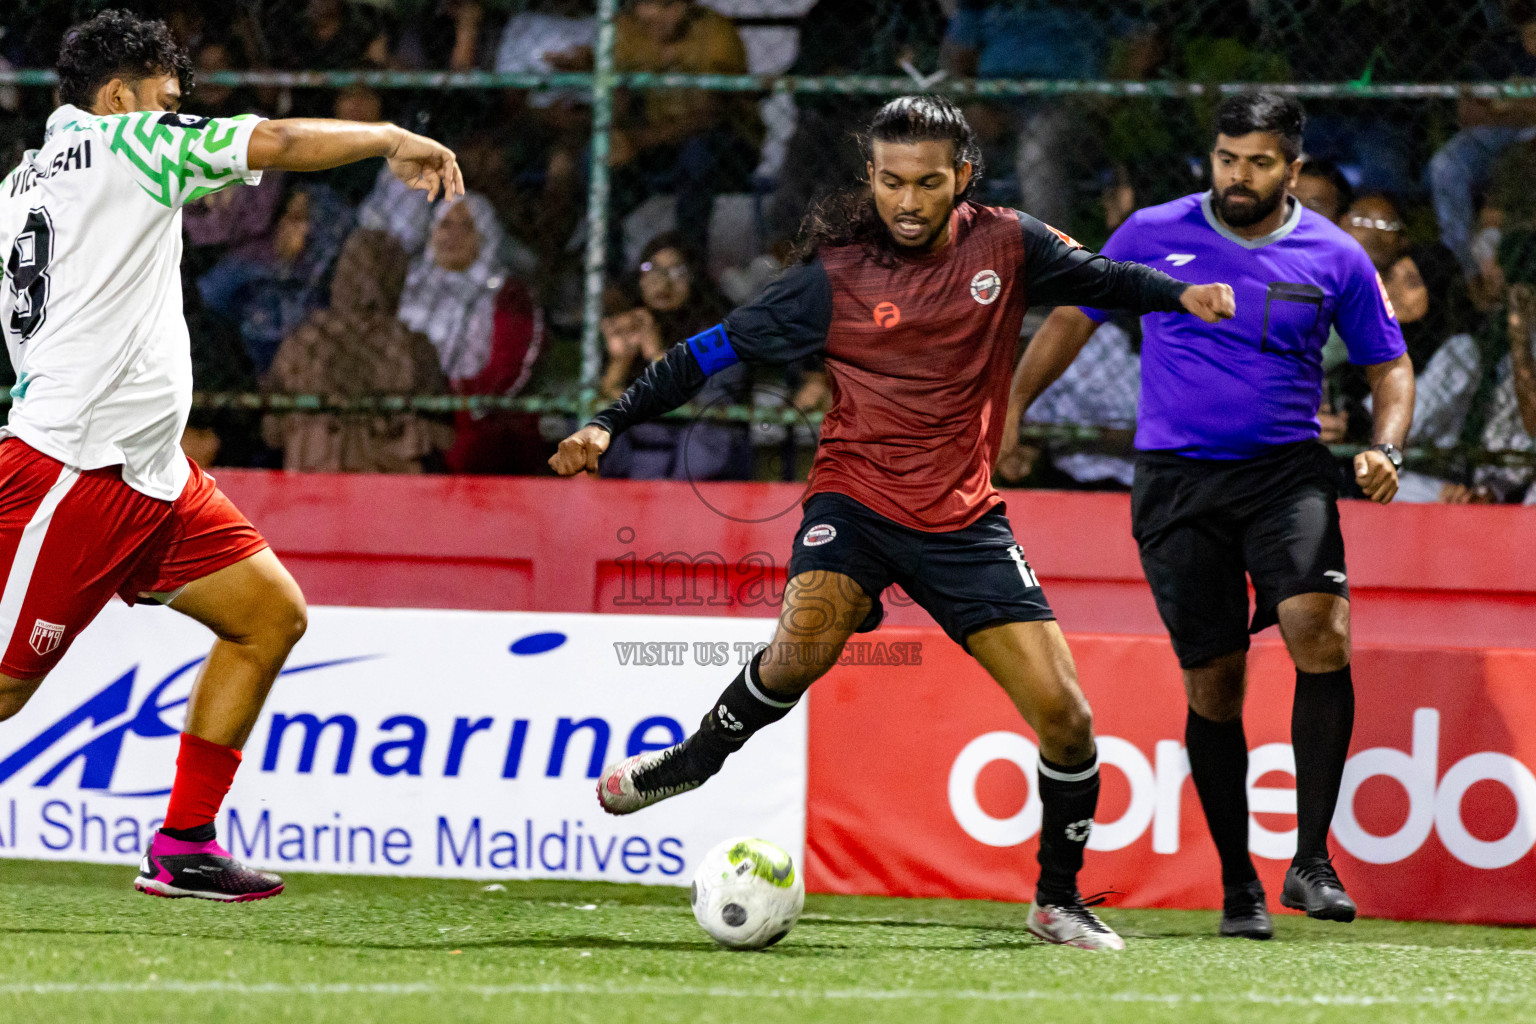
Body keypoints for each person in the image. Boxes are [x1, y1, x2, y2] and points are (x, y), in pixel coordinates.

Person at [550, 95, 1235, 951]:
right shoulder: (829, 282)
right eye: (890, 182)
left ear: (963, 180)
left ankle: (1055, 900)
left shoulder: (1009, 243)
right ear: (869, 178)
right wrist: (608, 421)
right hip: (856, 502)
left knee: (1070, 721)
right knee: (801, 650)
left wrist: (1184, 295)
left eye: (927, 183)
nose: (907, 202)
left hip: (963, 520)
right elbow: (706, 352)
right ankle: (689, 764)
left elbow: (1104, 278)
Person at [0, 9, 461, 902]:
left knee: (268, 617)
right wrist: (391, 136)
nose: (176, 112)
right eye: (167, 97)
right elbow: (281, 138)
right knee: (5, 691)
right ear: (122, 94)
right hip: (76, 471)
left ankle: (185, 843)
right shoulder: (130, 143)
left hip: (150, 474)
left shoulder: (22, 182)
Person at [1005, 93, 1414, 941]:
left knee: (1321, 629)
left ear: (1292, 170)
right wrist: (1011, 411)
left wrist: (1387, 447)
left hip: (1285, 474)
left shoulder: (1335, 257)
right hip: (1176, 485)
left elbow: (1391, 369)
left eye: (1258, 162)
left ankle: (1311, 861)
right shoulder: (1154, 232)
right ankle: (1239, 884)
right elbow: (1074, 316)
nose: (1238, 176)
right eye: (1228, 159)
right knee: (1215, 686)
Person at [263, 229, 453, 473]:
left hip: (313, 480)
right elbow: (445, 436)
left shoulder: (301, 343)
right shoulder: (412, 348)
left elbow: (272, 433)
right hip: (390, 489)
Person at [397, 194, 548, 475]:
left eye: (467, 227)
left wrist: (448, 396)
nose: (453, 236)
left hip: (475, 422)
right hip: (408, 413)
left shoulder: (509, 293)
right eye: (445, 225)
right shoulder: (410, 284)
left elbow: (510, 370)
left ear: (485, 235)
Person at [598, 231, 747, 481]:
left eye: (678, 272)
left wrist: (656, 353)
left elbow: (705, 408)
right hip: (641, 451)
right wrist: (620, 362)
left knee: (705, 432)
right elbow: (611, 400)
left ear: (695, 278)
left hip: (695, 454)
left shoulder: (719, 333)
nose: (662, 283)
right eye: (651, 269)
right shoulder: (633, 321)